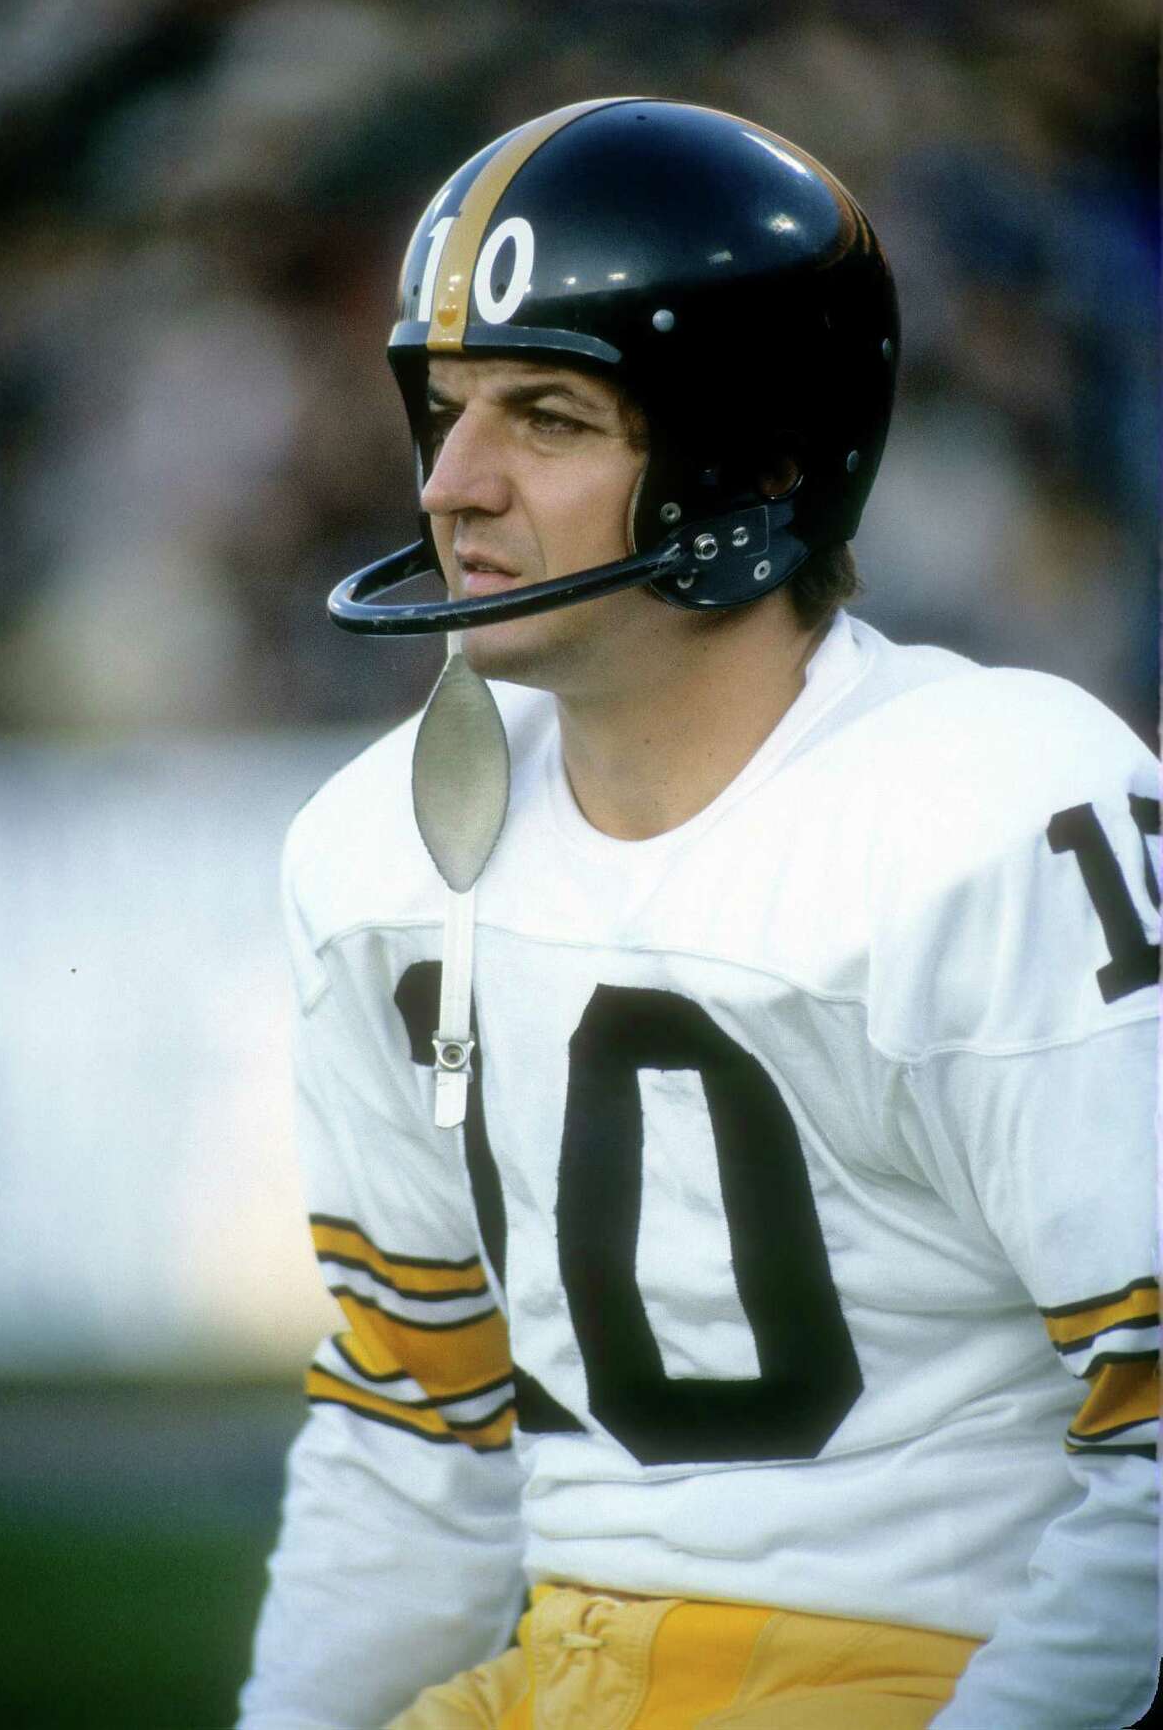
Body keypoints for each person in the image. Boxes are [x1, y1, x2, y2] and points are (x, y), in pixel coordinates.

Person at [239, 99, 1158, 1730]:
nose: (454, 483)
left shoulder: (993, 804)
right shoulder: (379, 847)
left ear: (759, 458)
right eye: (445, 412)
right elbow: (414, 1430)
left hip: (908, 1671)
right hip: (559, 1672)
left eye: (546, 415)